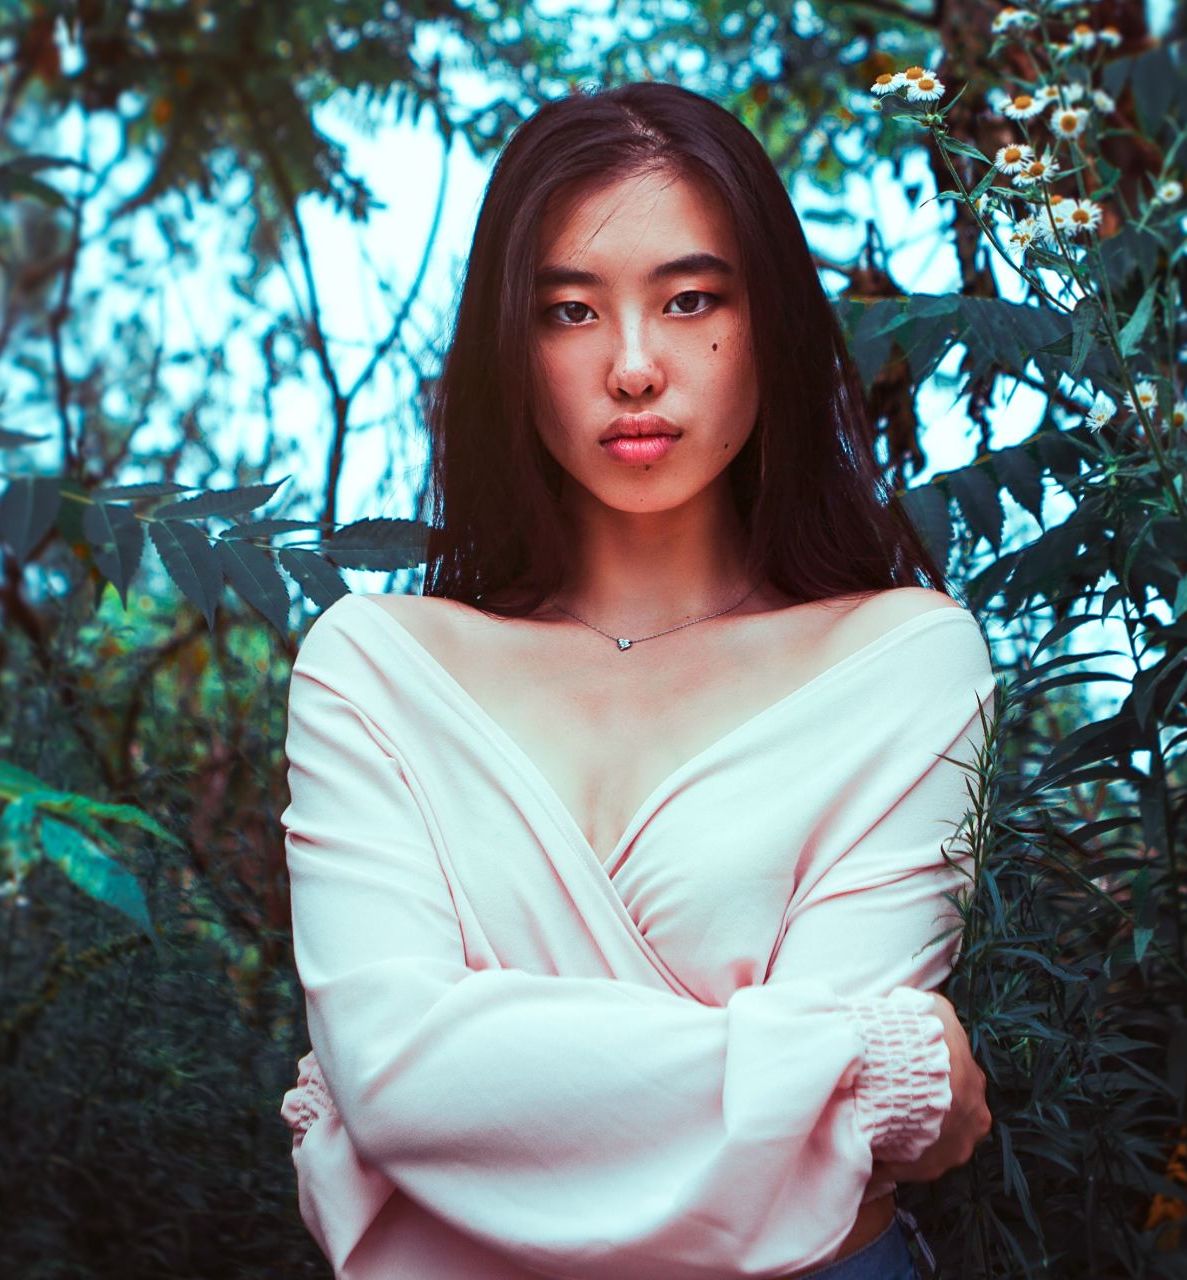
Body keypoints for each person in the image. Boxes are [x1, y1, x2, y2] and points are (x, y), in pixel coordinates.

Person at [277, 80, 996, 1279]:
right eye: (569, 310)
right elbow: (398, 1078)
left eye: (691, 299)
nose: (632, 365)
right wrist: (856, 1063)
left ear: (770, 320)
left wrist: (450, 1110)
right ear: (511, 346)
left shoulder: (902, 658)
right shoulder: (375, 667)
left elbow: (398, 1101)